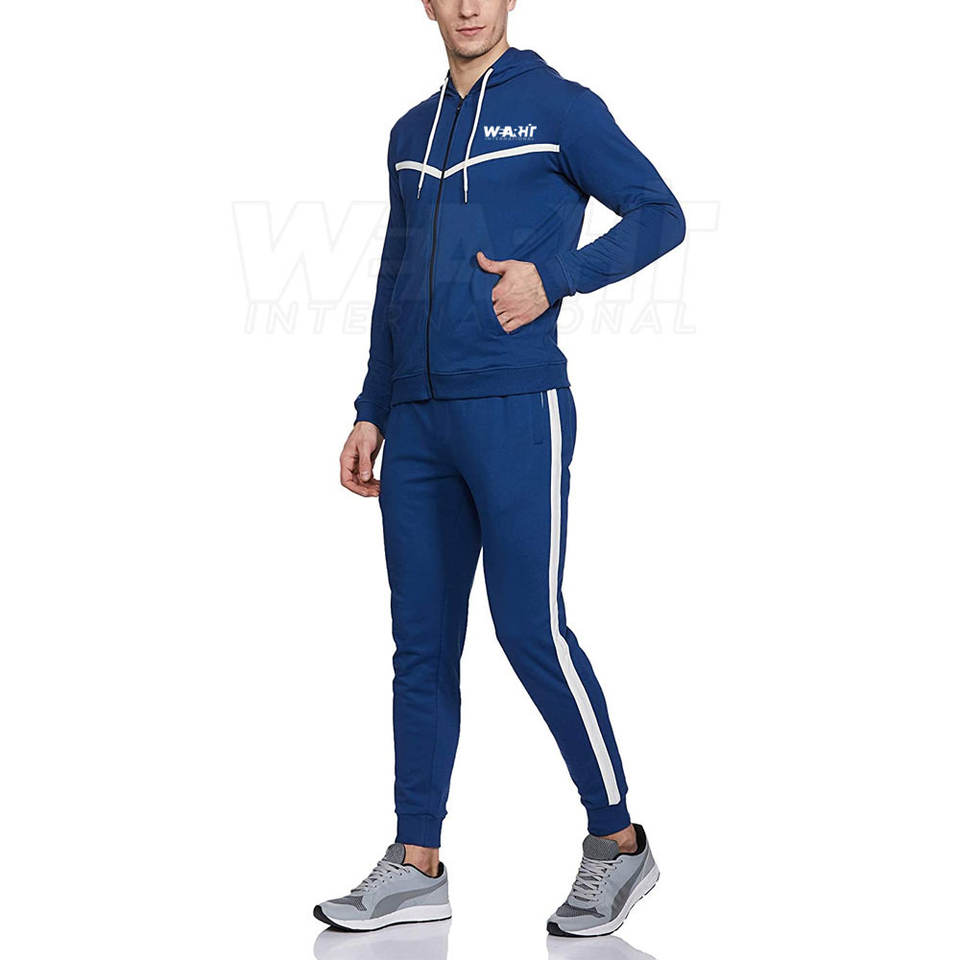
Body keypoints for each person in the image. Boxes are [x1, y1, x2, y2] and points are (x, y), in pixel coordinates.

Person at [316, 0, 684, 938]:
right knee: (420, 645)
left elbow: (661, 214)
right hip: (417, 423)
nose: (469, 6)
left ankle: (618, 842)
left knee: (530, 630)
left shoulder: (560, 107)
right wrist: (372, 406)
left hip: (517, 407)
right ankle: (417, 863)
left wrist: (556, 278)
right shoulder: (409, 133)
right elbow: (395, 277)